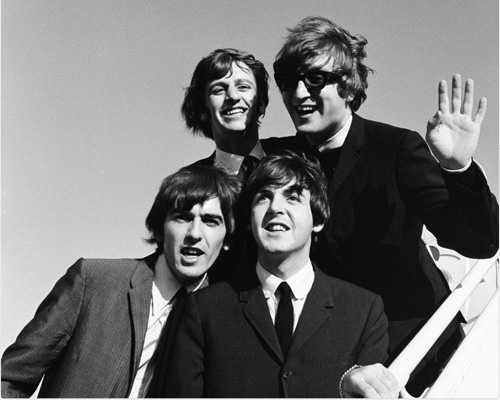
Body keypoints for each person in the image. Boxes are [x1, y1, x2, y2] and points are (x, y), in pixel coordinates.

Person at [272, 16, 499, 395]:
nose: (297, 93)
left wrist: (458, 169)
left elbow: (480, 242)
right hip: (333, 361)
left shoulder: (395, 148)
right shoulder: (279, 159)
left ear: (348, 86)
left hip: (419, 353)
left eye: (314, 79)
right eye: (288, 81)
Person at [163, 151, 399, 398]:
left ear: (318, 219)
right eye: (263, 197)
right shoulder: (203, 310)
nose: (275, 207)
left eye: (293, 198)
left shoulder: (364, 311)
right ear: (248, 220)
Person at [1, 165, 241, 398]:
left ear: (228, 237)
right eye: (182, 218)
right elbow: (10, 378)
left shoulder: (225, 319)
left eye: (210, 221)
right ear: (159, 228)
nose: (195, 234)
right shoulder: (93, 280)